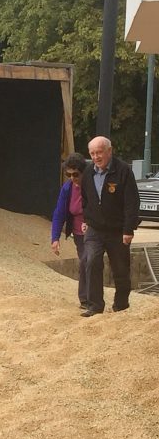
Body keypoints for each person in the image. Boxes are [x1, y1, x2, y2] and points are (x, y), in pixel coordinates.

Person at [80, 135, 140, 317]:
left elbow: (132, 202)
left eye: (99, 152)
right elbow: (86, 200)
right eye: (92, 153)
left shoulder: (123, 171)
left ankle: (121, 305)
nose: (96, 157)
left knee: (121, 269)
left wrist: (128, 229)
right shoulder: (88, 173)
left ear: (109, 151)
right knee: (91, 261)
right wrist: (86, 219)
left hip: (118, 230)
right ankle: (95, 306)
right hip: (95, 229)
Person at [51, 153, 89, 309]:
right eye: (68, 174)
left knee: (90, 261)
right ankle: (85, 300)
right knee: (85, 262)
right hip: (78, 233)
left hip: (94, 231)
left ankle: (92, 299)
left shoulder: (92, 185)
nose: (72, 178)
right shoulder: (67, 188)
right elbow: (59, 212)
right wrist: (55, 238)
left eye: (75, 174)